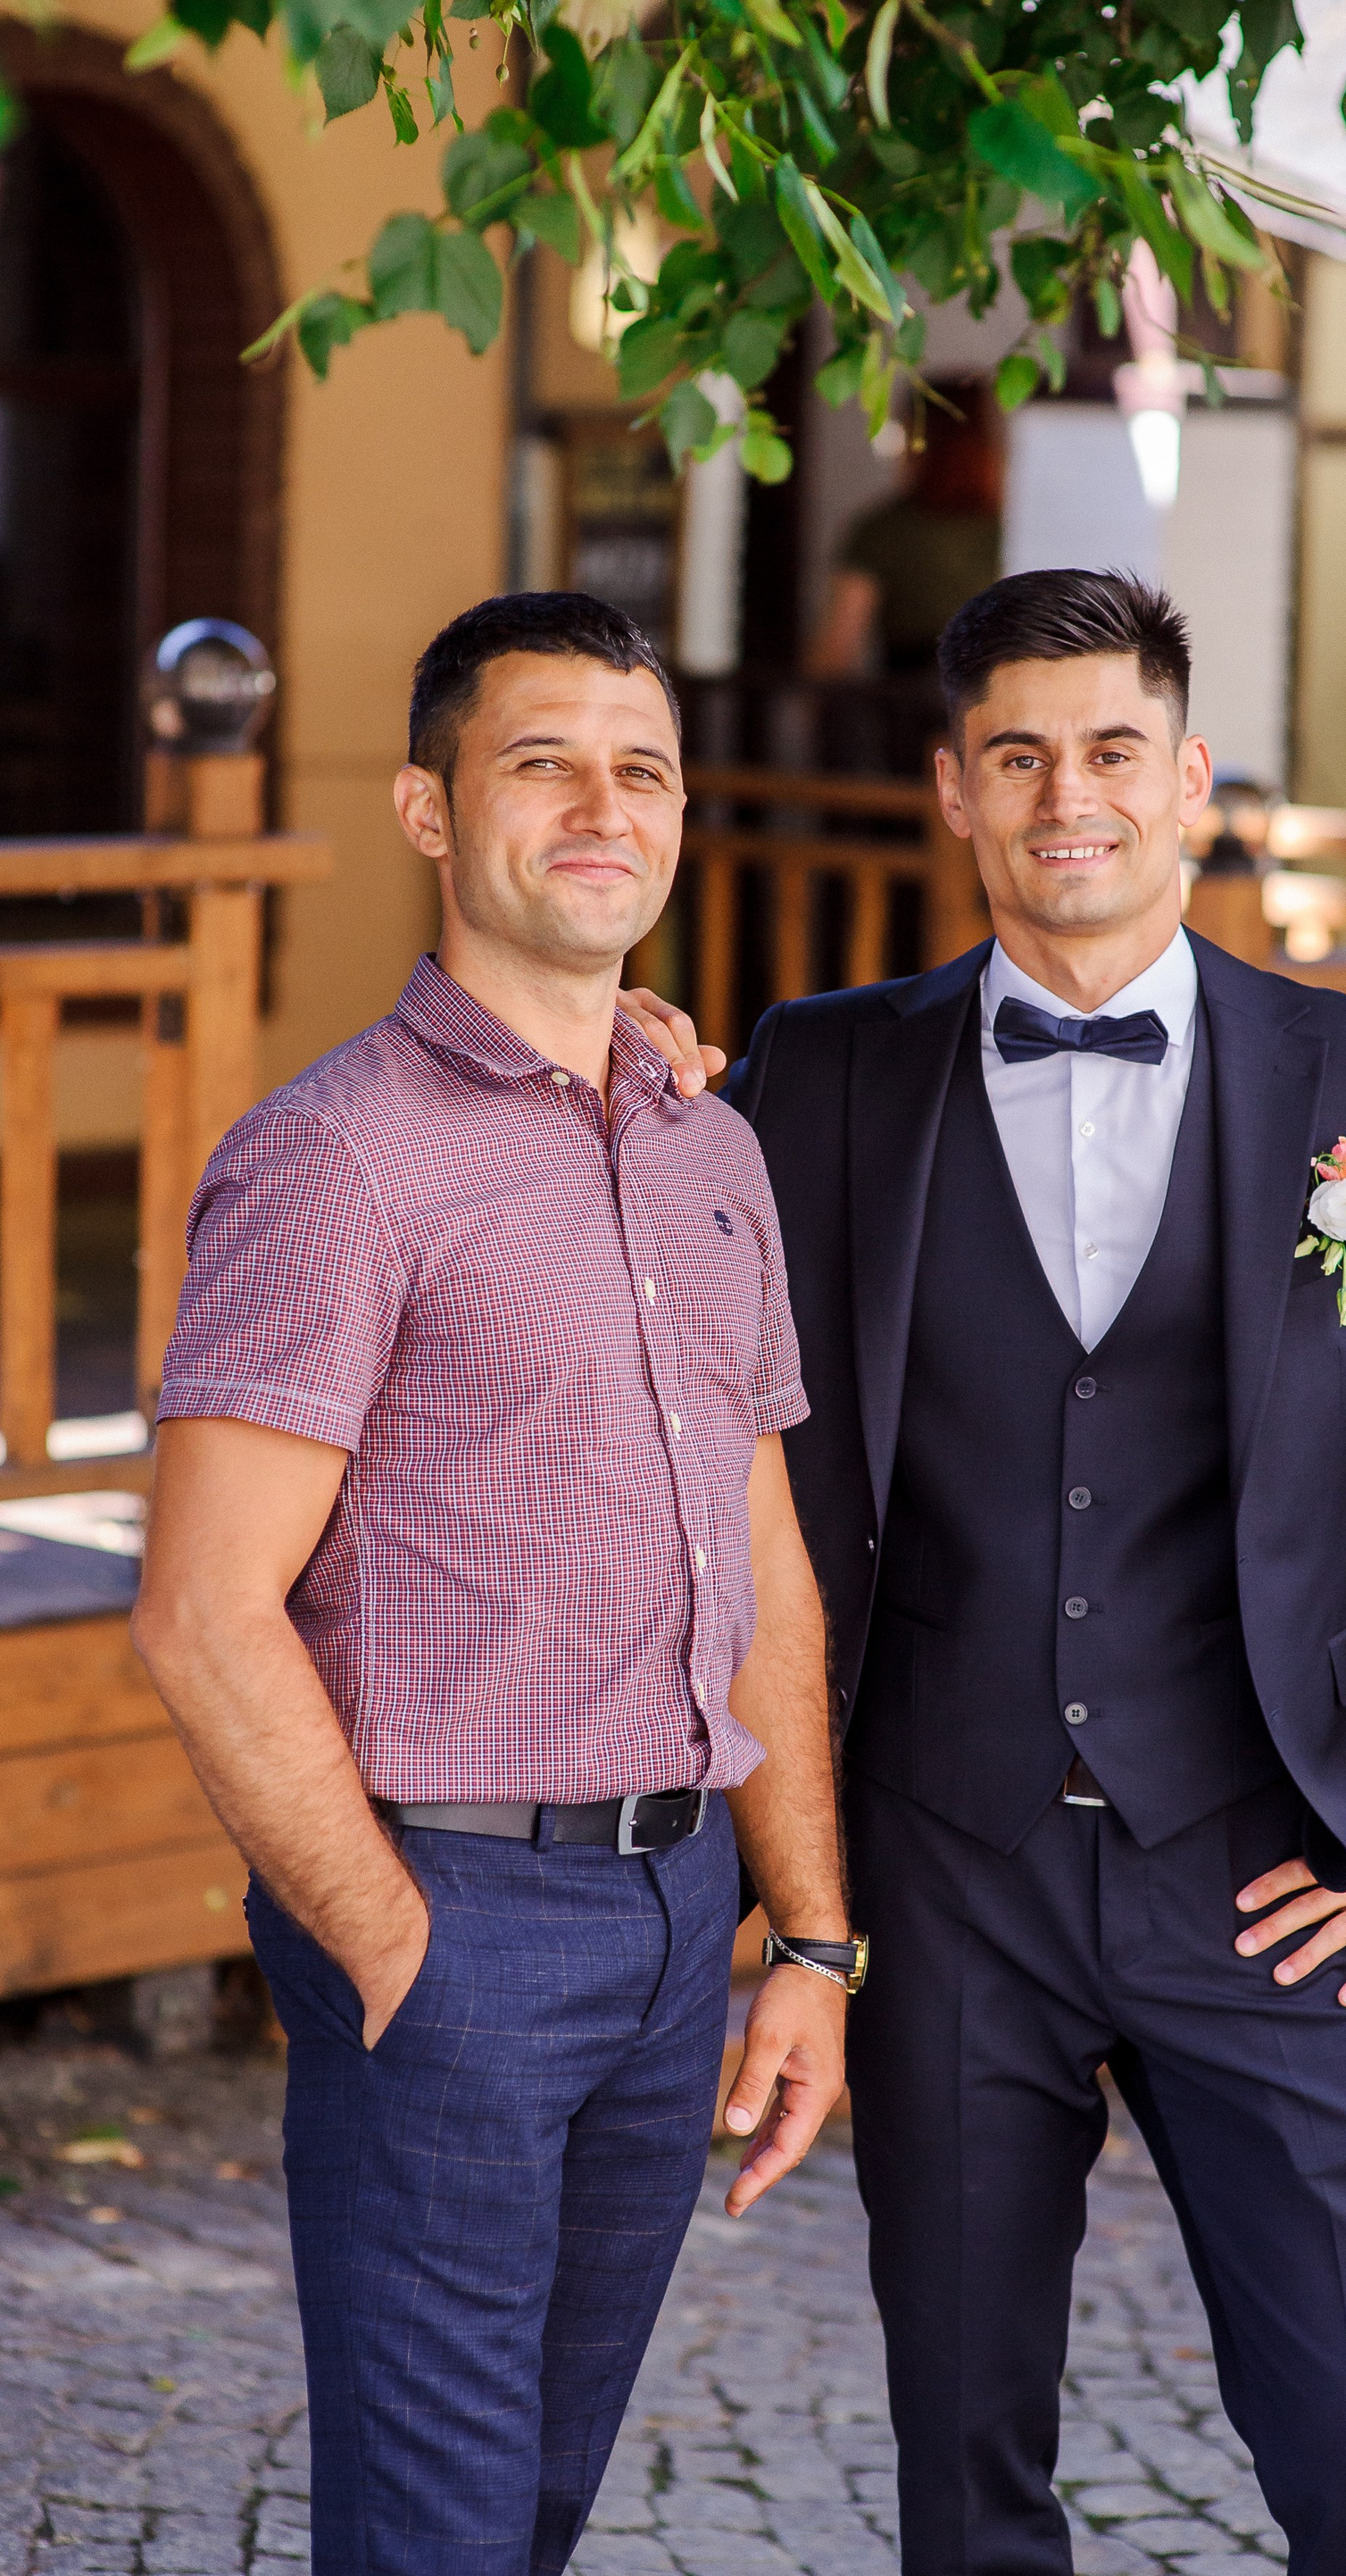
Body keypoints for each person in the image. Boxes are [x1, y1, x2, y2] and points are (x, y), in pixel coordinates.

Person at [632, 569, 1346, 2574]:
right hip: (947, 1873)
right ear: (954, 791)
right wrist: (619, 1065)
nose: (1064, 795)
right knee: (966, 2472)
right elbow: (639, 1270)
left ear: (1190, 782)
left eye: (1110, 750)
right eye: (1015, 756)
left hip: (1273, 1877)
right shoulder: (821, 1074)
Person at [131, 591, 861, 2576]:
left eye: (643, 771)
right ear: (430, 809)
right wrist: (391, 1942)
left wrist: (809, 1939)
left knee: (534, 2506)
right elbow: (202, 1608)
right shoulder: (335, 1160)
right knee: (436, 2524)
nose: (603, 809)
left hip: (680, 1912)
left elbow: (763, 1556)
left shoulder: (710, 1150)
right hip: (458, 1913)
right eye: (543, 763)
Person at [807, 373, 1002, 679]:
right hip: (997, 698)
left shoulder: (882, 529)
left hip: (908, 698)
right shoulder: (1015, 525)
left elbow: (837, 649)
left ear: (919, 439)